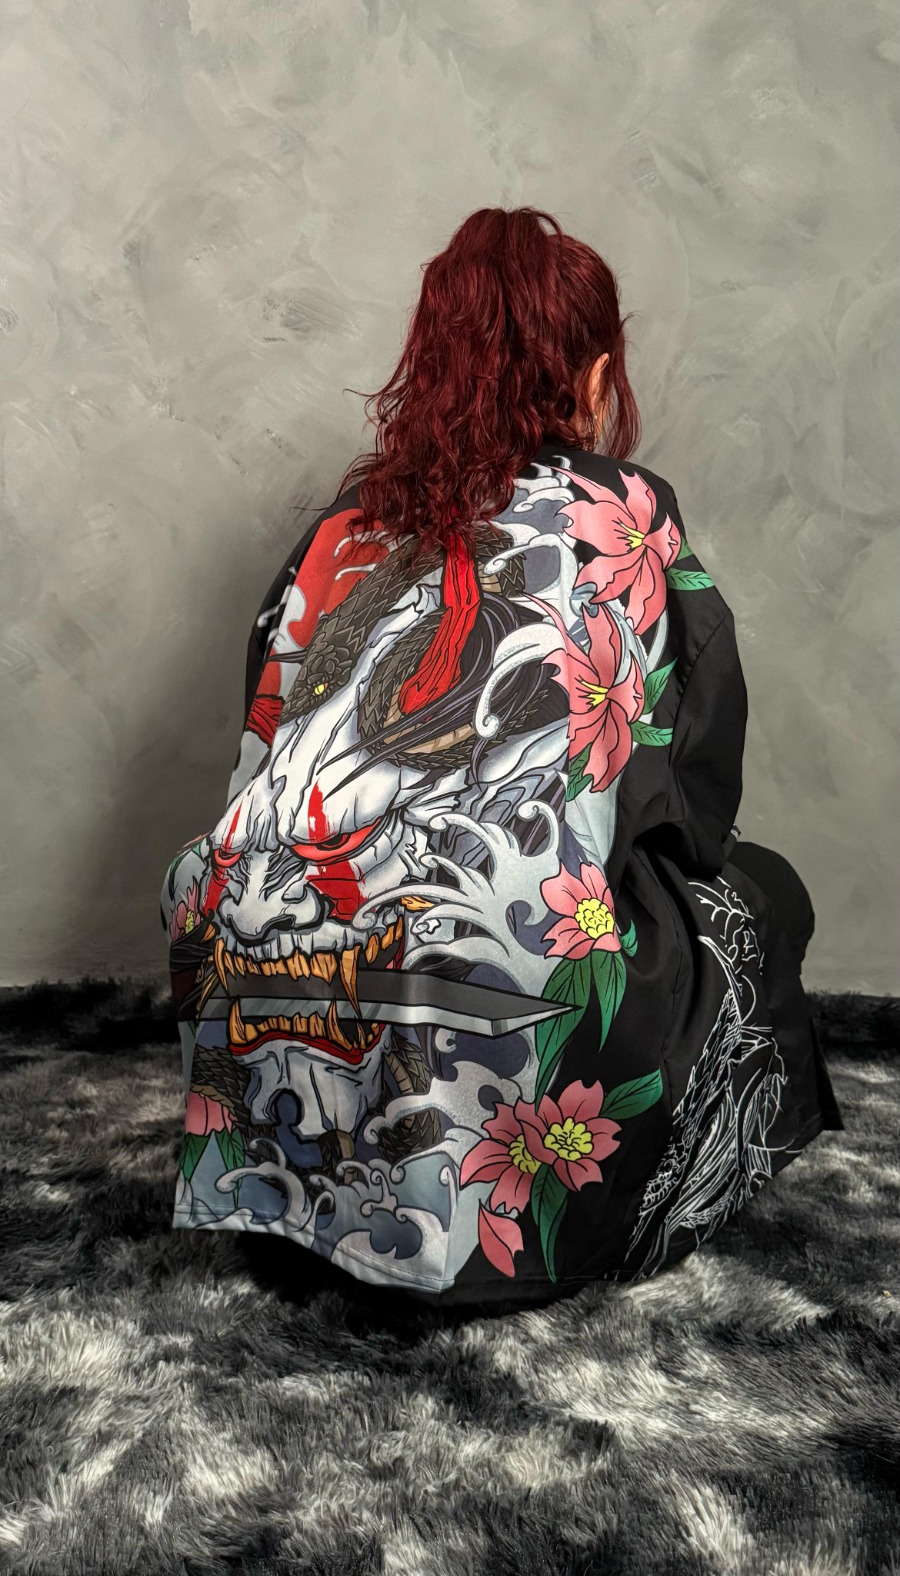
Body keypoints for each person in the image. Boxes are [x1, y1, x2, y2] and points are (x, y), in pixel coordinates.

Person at [160, 205, 844, 1311]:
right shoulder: (622, 511)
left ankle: (296, 1198)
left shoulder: (341, 527)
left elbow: (265, 739)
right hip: (480, 976)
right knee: (753, 901)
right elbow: (689, 771)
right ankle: (526, 1224)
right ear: (595, 373)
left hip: (247, 947)